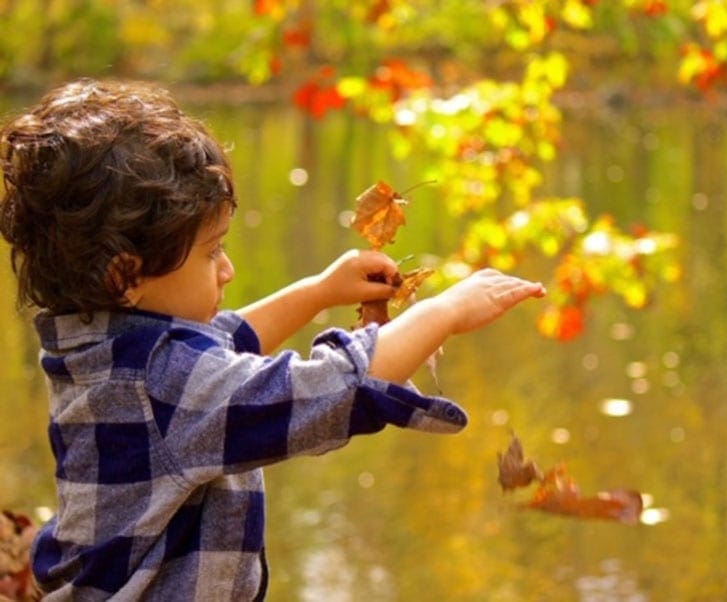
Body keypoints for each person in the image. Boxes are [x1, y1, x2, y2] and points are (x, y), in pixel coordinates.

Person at [0, 79, 545, 600]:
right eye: (211, 252)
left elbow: (221, 345)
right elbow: (333, 388)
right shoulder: (163, 385)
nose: (228, 270)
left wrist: (317, 291)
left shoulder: (103, 346)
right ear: (126, 275)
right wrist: (445, 312)